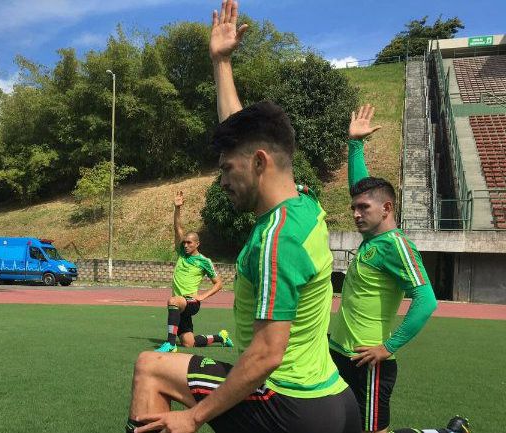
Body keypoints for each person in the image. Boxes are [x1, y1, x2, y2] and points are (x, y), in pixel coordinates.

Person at [124, 2, 359, 432]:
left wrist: (193, 417)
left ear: (259, 164)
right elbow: (243, 135)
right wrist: (222, 62)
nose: (222, 181)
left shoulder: (277, 239)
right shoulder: (304, 204)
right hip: (334, 398)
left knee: (151, 365)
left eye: (226, 169)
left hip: (288, 404)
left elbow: (267, 354)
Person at [329, 104, 469, 433]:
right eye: (353, 209)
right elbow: (363, 188)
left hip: (369, 361)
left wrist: (387, 348)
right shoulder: (372, 241)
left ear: (387, 208)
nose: (356, 214)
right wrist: (355, 145)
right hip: (338, 353)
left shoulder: (396, 246)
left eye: (363, 208)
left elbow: (426, 300)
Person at [154, 191, 231, 353]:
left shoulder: (204, 261)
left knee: (173, 301)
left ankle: (170, 344)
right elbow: (178, 229)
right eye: (185, 243)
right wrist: (177, 208)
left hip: (190, 302)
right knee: (189, 343)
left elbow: (219, 284)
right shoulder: (181, 253)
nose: (186, 245)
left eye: (189, 243)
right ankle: (220, 337)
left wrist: (202, 296)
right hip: (182, 305)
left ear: (197, 244)